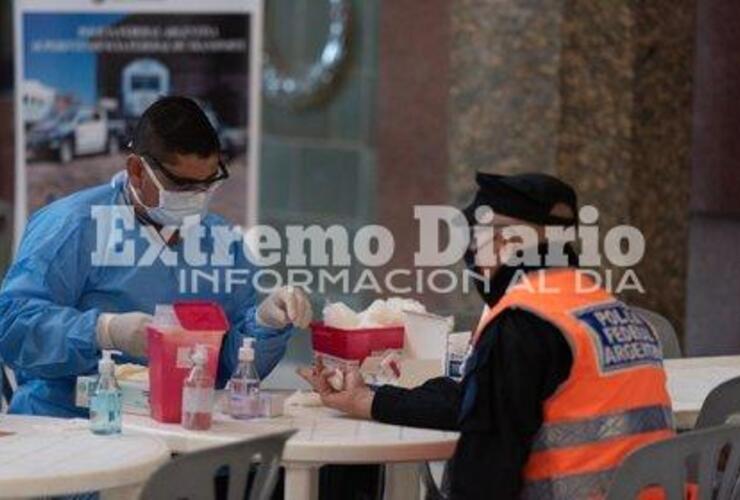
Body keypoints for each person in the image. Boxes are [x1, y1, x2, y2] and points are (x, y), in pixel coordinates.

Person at [300, 172, 674, 500]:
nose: (474, 260)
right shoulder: (613, 314)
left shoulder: (524, 325)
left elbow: (482, 477)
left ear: (502, 243)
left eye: (476, 243)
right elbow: (474, 404)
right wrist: (367, 399)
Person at [0, 96, 312, 418]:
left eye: (207, 183)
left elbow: (230, 369)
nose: (196, 198)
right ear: (137, 170)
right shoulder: (74, 227)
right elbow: (9, 325)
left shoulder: (221, 241)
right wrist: (103, 330)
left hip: (180, 434)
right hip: (72, 427)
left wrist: (264, 325)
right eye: (181, 184)